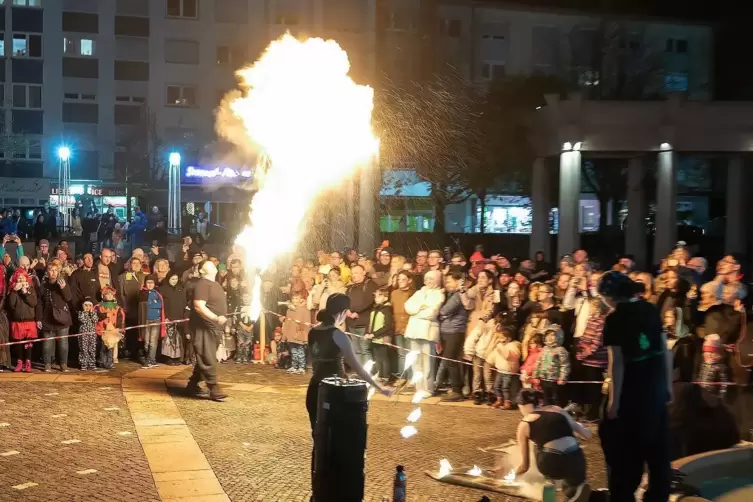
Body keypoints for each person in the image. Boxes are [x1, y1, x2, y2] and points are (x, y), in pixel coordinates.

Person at [597, 271, 672, 502]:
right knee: (657, 451)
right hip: (656, 389)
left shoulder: (615, 319)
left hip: (631, 392)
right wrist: (668, 386)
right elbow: (664, 350)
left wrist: (614, 402)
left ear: (609, 296)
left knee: (624, 454)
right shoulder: (650, 309)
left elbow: (616, 363)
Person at [305, 293, 391, 490]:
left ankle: (318, 485)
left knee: (319, 440)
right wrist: (380, 388)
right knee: (335, 440)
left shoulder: (313, 331)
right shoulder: (338, 335)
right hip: (334, 393)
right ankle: (334, 488)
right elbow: (359, 369)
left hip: (314, 389)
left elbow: (316, 362)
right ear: (343, 312)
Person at [509, 389, 592, 501]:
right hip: (575, 460)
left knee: (538, 449)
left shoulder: (524, 423)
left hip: (551, 462)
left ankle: (551, 491)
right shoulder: (557, 410)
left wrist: (514, 476)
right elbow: (587, 435)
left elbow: (525, 466)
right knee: (572, 482)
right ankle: (575, 491)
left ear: (522, 405)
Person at [186, 260, 228, 401]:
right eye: (208, 264)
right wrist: (215, 318)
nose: (213, 264)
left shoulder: (215, 284)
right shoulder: (203, 284)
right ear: (202, 270)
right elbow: (199, 306)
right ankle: (214, 388)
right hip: (204, 327)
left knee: (205, 356)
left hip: (215, 327)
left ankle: (192, 385)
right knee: (207, 356)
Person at [434, 271, 468, 402]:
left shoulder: (458, 295)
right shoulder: (451, 295)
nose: (446, 284)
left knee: (451, 361)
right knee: (449, 361)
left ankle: (457, 391)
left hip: (455, 330)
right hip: (448, 330)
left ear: (457, 281)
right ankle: (455, 389)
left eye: (449, 281)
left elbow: (444, 311)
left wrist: (441, 312)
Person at [39, 261, 73, 373]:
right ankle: (47, 364)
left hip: (62, 318)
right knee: (47, 344)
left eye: (55, 270)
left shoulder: (63, 282)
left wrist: (63, 288)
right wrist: (38, 318)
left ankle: (63, 364)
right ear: (47, 271)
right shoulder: (44, 285)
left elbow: (68, 298)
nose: (53, 272)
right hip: (48, 318)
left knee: (63, 343)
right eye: (50, 270)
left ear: (58, 271)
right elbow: (40, 303)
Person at [8, 269, 38, 373]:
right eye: (18, 278)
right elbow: (11, 305)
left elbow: (34, 303)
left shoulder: (31, 288)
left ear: (26, 278)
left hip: (29, 320)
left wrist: (25, 293)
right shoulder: (13, 290)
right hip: (18, 321)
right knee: (19, 344)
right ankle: (19, 362)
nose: (20, 279)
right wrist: (14, 292)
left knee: (28, 344)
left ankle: (28, 362)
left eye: (22, 277)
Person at [365, 286, 395, 383]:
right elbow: (370, 323)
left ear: (385, 298)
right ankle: (380, 374)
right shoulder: (374, 309)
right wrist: (367, 333)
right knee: (377, 357)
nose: (376, 298)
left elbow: (387, 326)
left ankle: (385, 376)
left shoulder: (387, 310)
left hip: (383, 338)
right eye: (375, 296)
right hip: (374, 338)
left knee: (384, 358)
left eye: (379, 296)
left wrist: (374, 334)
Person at [138, 277, 165, 368]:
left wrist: (152, 304)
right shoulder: (142, 293)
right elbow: (144, 305)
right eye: (148, 282)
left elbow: (160, 305)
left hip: (156, 319)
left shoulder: (157, 293)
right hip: (146, 321)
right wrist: (153, 303)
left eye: (152, 282)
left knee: (153, 341)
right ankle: (147, 358)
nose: (150, 284)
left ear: (154, 284)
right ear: (145, 283)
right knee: (146, 341)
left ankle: (151, 360)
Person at [159, 272, 185, 365]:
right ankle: (168, 357)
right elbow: (161, 305)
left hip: (179, 318)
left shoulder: (181, 289)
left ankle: (177, 357)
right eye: (172, 279)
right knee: (168, 339)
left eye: (176, 279)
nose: (174, 281)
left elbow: (183, 303)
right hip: (168, 318)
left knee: (177, 339)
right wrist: (165, 317)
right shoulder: (162, 289)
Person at [77, 297, 99, 371]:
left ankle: (91, 363)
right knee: (83, 349)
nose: (88, 307)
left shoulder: (93, 313)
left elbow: (95, 320)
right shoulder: (81, 313)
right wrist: (84, 312)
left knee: (92, 348)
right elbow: (82, 320)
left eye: (89, 305)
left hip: (92, 334)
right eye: (86, 305)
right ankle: (84, 364)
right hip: (83, 334)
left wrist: (92, 312)